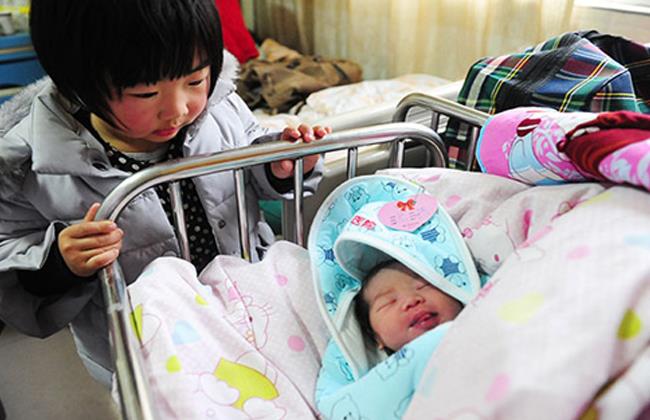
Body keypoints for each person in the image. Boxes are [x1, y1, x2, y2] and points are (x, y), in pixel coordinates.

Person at [0, 0, 328, 388]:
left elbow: (250, 158)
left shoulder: (221, 107)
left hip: (249, 309)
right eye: (145, 93)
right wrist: (59, 262)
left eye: (194, 80)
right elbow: (10, 256)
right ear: (79, 82)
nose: (177, 110)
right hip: (146, 347)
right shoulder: (30, 163)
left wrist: (279, 165)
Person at [308, 175, 484, 420]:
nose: (412, 301)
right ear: (375, 337)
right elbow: (339, 404)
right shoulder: (378, 378)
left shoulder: (486, 321)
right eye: (388, 302)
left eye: (423, 286)